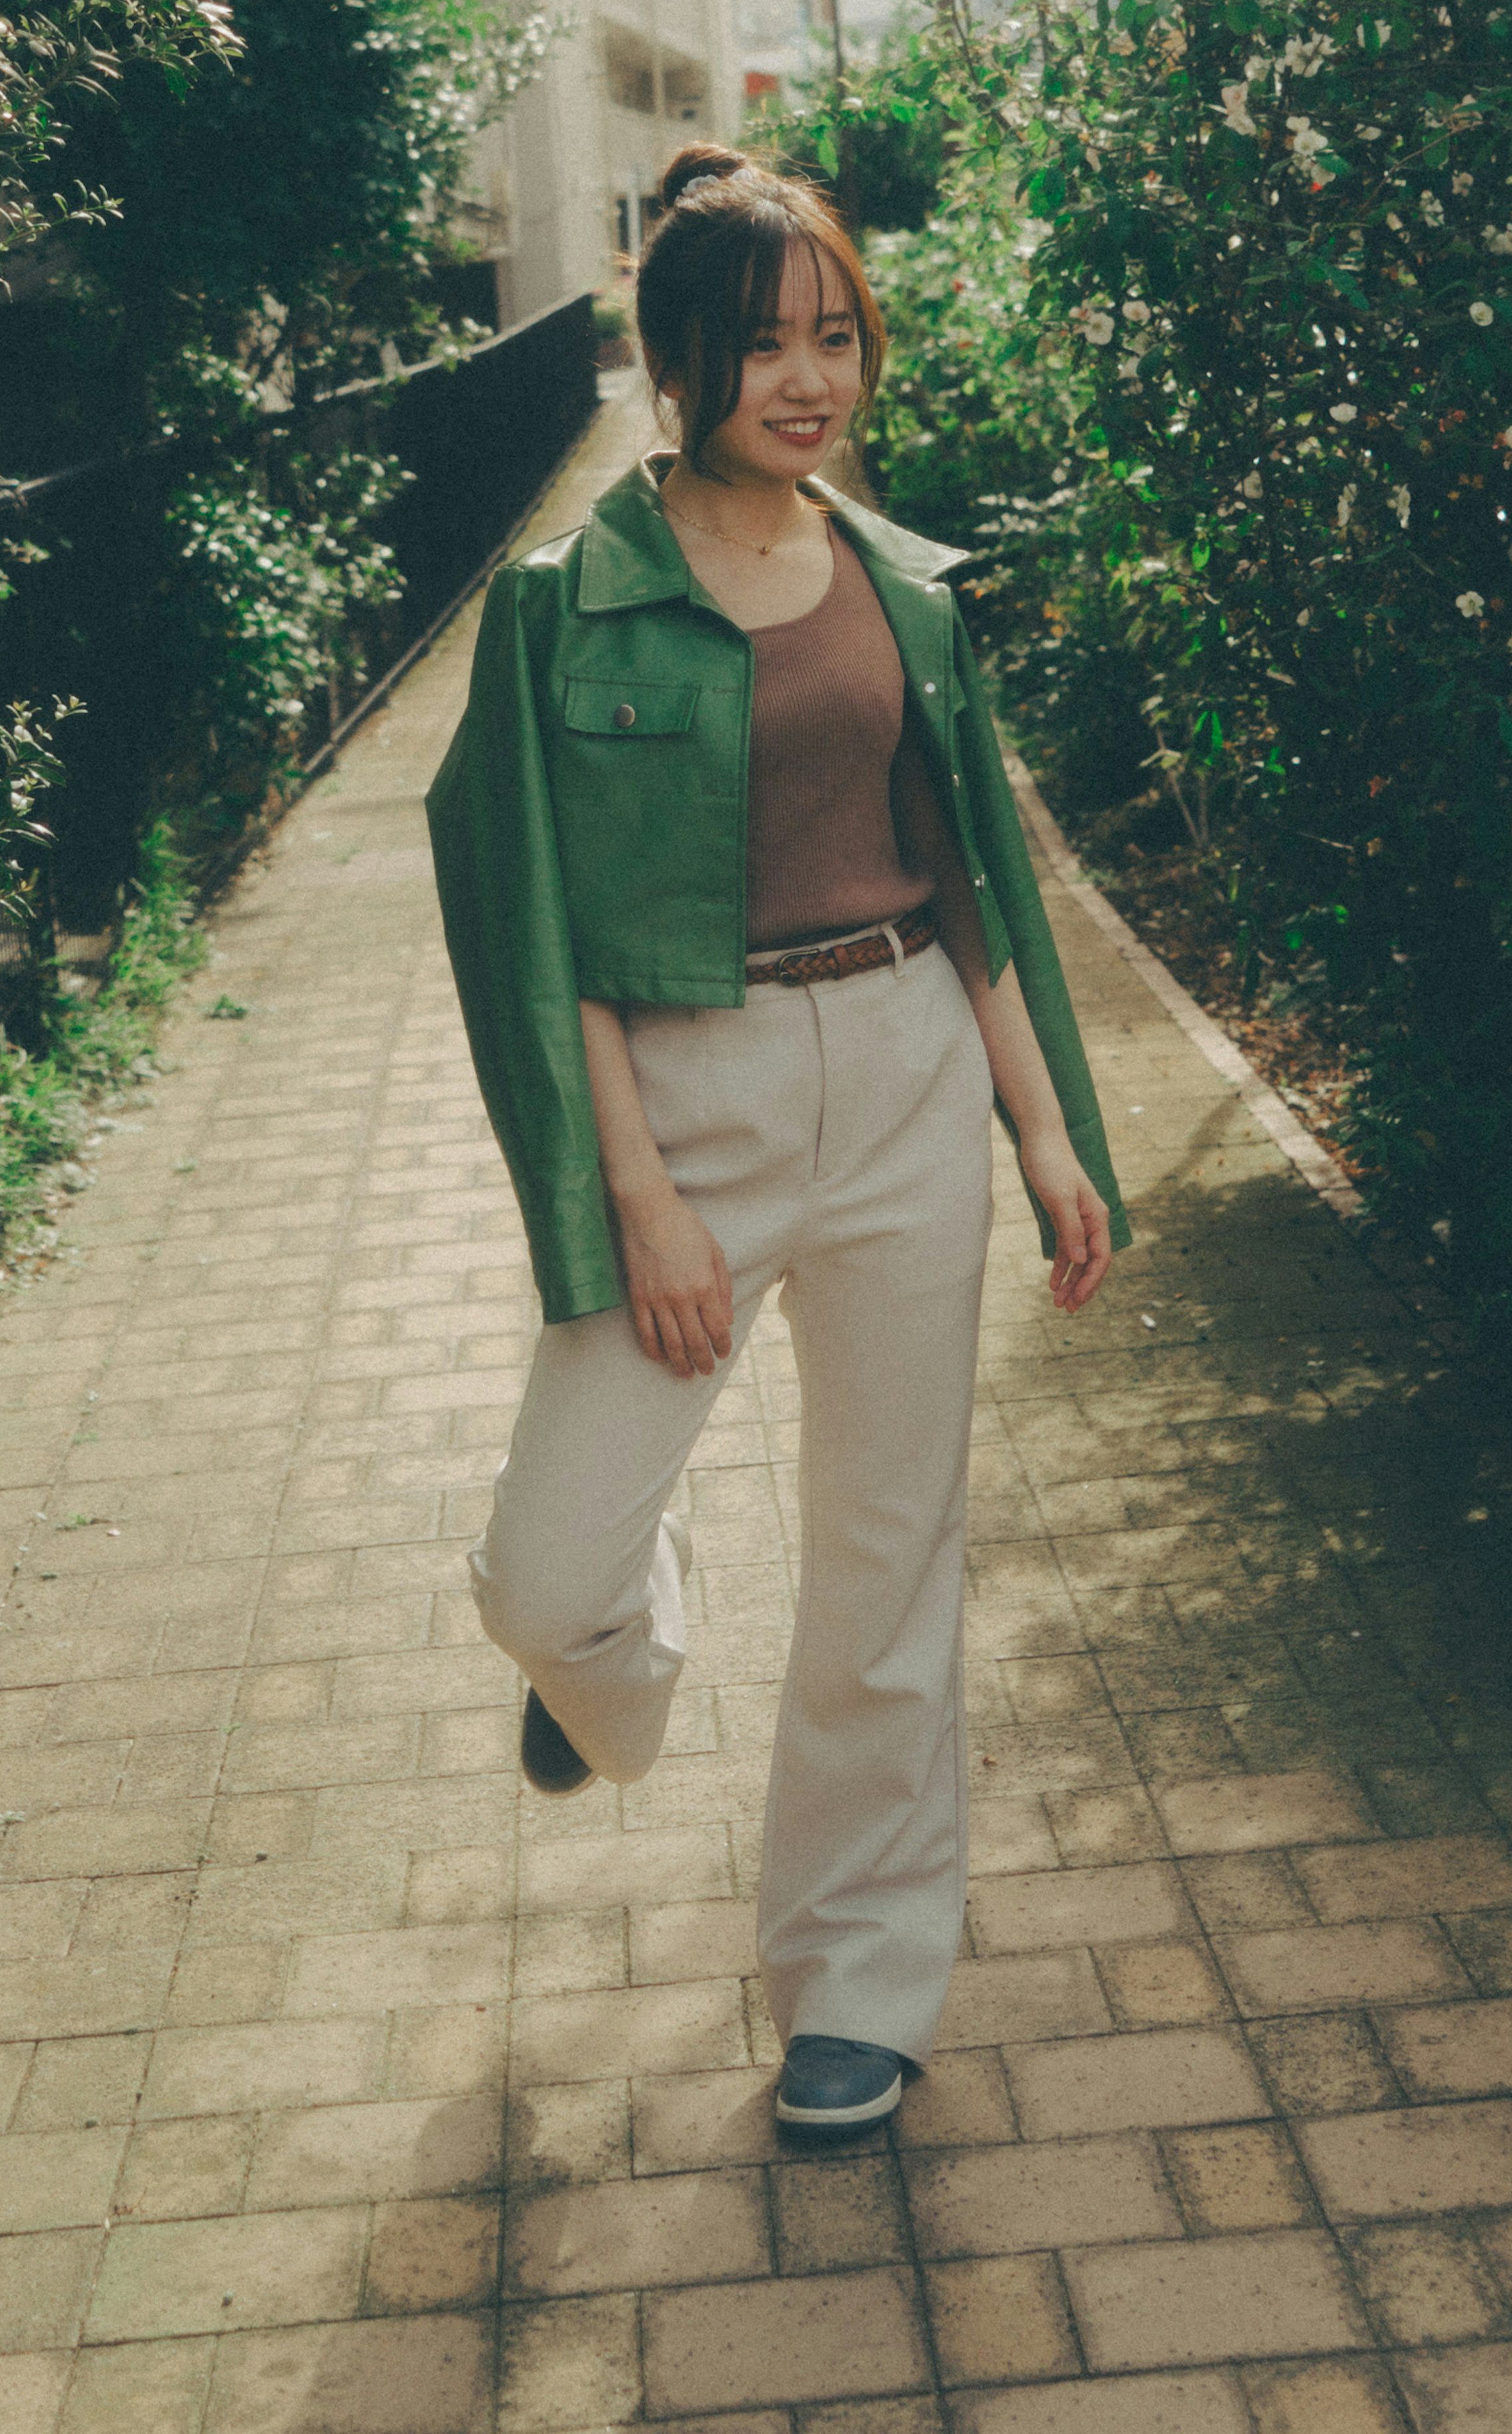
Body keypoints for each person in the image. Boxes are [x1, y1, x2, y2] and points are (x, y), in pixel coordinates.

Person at [427, 144, 1127, 2144]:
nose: (812, 382)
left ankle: (859, 1985)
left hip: (909, 1062)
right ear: (677, 365)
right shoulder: (571, 607)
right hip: (696, 1098)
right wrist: (640, 1192)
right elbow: (533, 913)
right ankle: (604, 1680)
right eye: (766, 348)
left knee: (890, 1557)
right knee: (544, 1578)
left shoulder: (903, 582)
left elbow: (971, 870)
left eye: (838, 338)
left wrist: (1049, 1130)